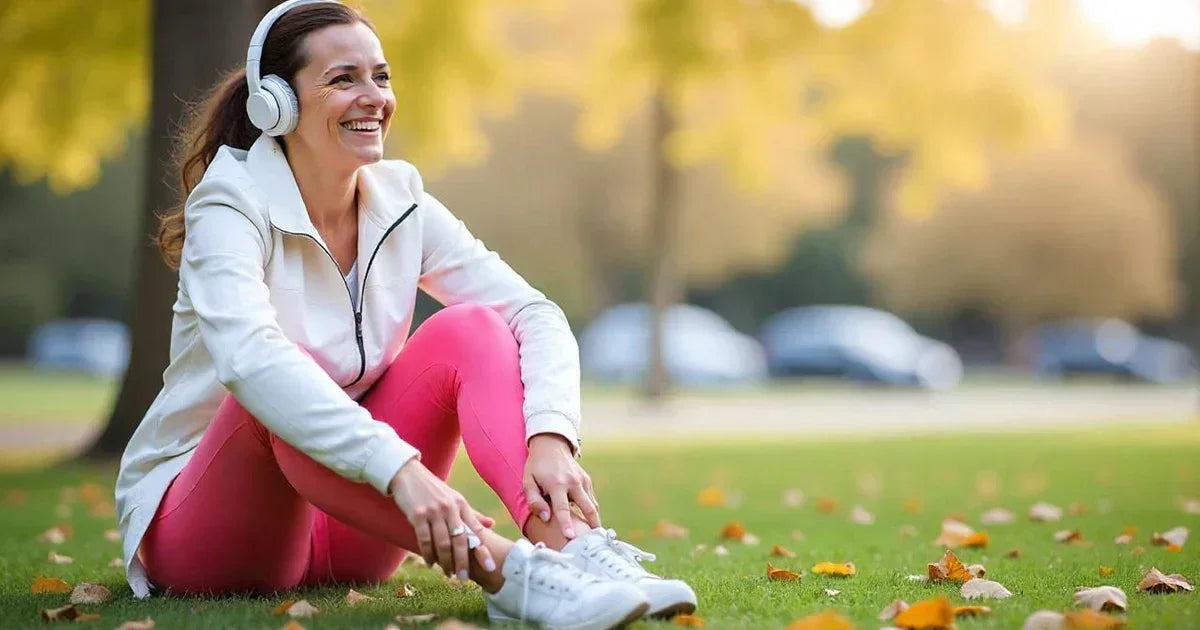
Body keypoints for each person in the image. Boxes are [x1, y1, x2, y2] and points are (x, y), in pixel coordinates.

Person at [113, 1, 697, 628]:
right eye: (344, 79)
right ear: (275, 104)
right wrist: (401, 470)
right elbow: (250, 358)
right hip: (212, 536)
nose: (373, 97)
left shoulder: (399, 198)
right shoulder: (229, 203)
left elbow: (534, 310)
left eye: (381, 77)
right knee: (282, 372)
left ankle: (574, 548)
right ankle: (513, 577)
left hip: (350, 530)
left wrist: (551, 437)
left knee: (470, 328)